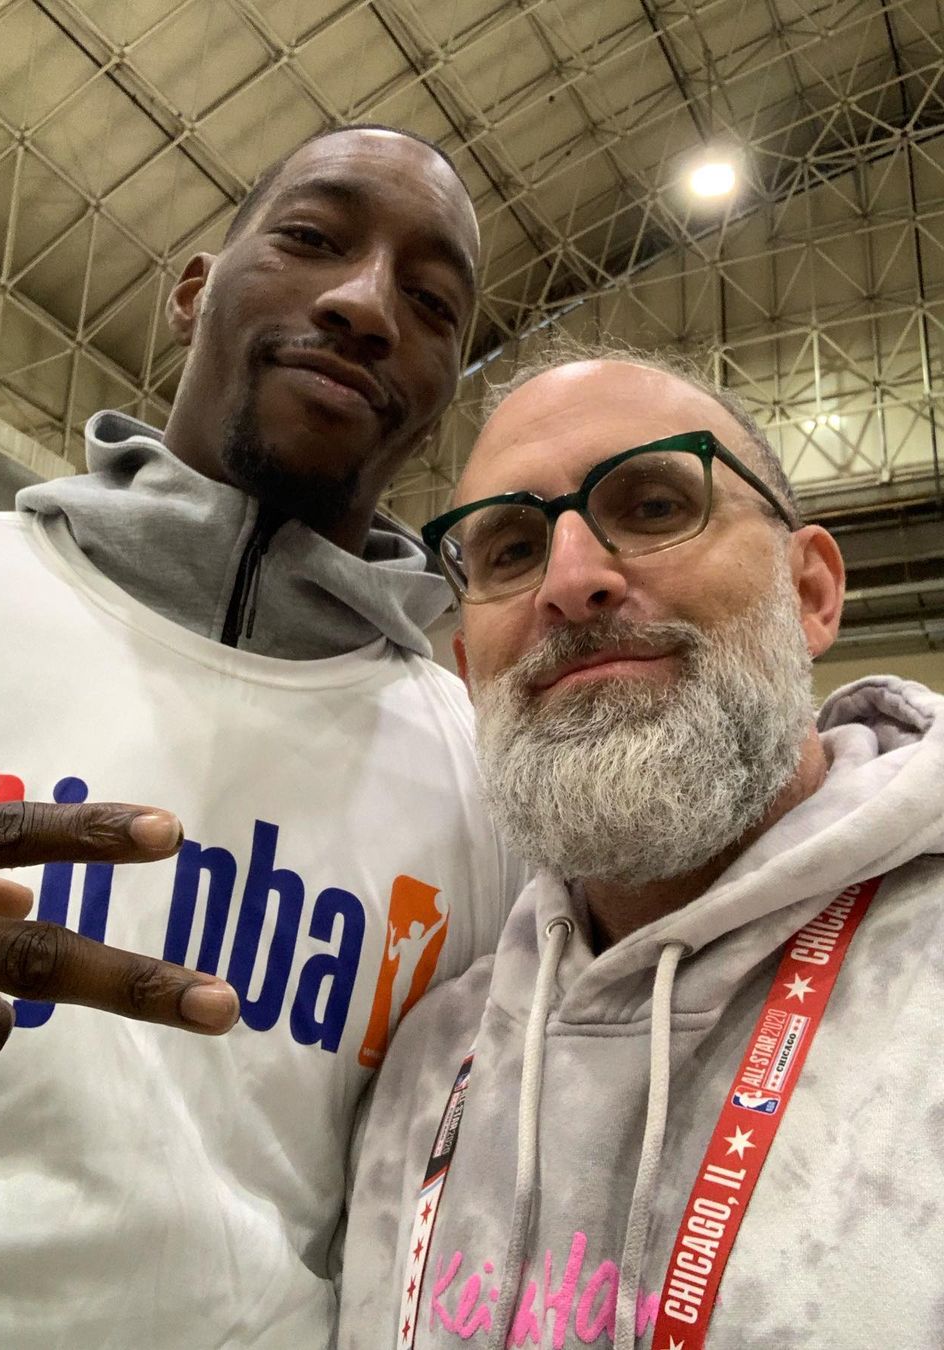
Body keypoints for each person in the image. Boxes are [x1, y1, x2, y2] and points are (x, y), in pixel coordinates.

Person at [0, 125, 525, 1349]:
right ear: (190, 291)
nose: (365, 305)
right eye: (312, 237)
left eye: (432, 304)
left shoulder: (486, 788)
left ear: (440, 397)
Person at [337, 347, 944, 1349]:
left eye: (656, 506)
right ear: (469, 669)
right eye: (511, 550)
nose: (572, 581)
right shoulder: (432, 1061)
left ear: (810, 593)